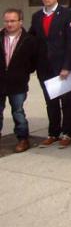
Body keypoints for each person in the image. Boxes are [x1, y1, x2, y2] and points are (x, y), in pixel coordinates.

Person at [29, 0, 71, 149]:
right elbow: (31, 39)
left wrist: (67, 66)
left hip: (62, 67)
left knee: (67, 102)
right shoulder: (37, 16)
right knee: (51, 102)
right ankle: (53, 132)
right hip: (44, 67)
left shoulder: (67, 14)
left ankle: (67, 132)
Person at [0, 8, 37, 153]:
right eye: (6, 21)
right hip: (0, 81)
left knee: (18, 112)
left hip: (18, 83)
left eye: (12, 21)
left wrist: (23, 73)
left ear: (20, 22)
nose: (9, 24)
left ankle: (23, 138)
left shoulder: (29, 40)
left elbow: (33, 61)